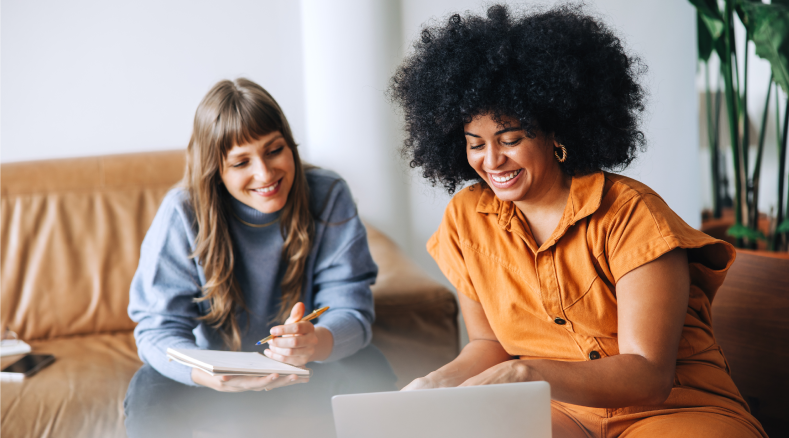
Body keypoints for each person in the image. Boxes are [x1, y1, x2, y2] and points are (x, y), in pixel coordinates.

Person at [389, 5, 766, 438]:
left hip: (676, 408)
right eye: (476, 144)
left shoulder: (630, 213)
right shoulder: (465, 219)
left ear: (557, 131)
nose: (491, 161)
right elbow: (489, 345)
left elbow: (649, 376)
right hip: (558, 410)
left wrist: (526, 373)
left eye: (511, 139)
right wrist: (432, 384)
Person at [124, 78, 396, 437]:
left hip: (305, 369)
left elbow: (352, 309)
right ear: (216, 171)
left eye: (274, 150)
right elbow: (157, 330)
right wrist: (208, 374)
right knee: (148, 390)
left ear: (290, 144)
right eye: (241, 163)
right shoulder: (182, 212)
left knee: (369, 366)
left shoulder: (328, 194)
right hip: (216, 381)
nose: (265, 174)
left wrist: (317, 341)